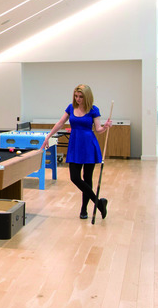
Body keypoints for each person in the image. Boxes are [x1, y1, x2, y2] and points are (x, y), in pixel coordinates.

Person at [42, 84, 110, 220]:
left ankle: (84, 209)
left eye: (81, 97)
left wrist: (106, 127)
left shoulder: (93, 110)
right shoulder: (71, 108)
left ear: (87, 97)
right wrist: (48, 136)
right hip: (75, 145)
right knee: (74, 177)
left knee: (87, 178)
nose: (78, 99)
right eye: (76, 96)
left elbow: (98, 129)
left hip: (89, 145)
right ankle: (99, 203)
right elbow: (60, 123)